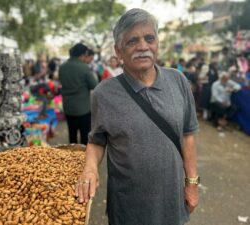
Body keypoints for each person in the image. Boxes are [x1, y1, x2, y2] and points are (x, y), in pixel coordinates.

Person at [75, 8, 199, 225]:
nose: (143, 46)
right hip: (128, 206)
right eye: (132, 41)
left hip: (171, 201)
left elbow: (187, 135)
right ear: (119, 51)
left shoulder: (178, 81)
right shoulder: (104, 93)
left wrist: (192, 183)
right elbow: (97, 140)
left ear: (157, 43)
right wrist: (90, 167)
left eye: (149, 38)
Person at [59, 43, 98, 145]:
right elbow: (94, 85)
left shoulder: (62, 67)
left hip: (68, 107)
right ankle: (83, 159)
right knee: (85, 137)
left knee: (72, 135)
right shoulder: (83, 67)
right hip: (82, 109)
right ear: (82, 54)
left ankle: (72, 158)